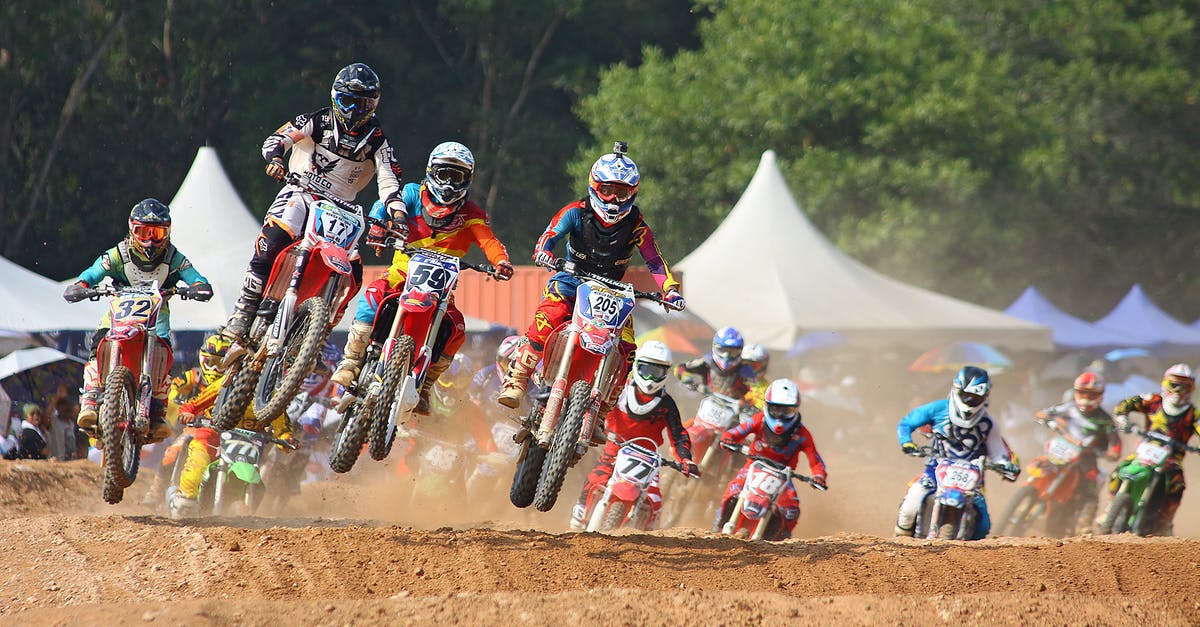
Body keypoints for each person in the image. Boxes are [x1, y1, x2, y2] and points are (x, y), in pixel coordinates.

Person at [222, 62, 405, 342]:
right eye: (348, 101)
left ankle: (318, 332)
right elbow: (278, 138)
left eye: (363, 103)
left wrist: (398, 214)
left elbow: (389, 180)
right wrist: (275, 159)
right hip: (302, 190)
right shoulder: (316, 120)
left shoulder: (378, 141)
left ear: (374, 104)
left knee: (354, 270)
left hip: (343, 209)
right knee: (273, 239)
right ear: (335, 97)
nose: (355, 111)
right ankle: (245, 308)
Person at [330, 141, 514, 414]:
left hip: (441, 289)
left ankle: (425, 386)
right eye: (444, 174)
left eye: (457, 176)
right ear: (431, 171)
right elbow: (385, 205)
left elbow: (489, 241)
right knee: (372, 297)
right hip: (402, 272)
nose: (450, 183)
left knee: (457, 330)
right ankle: (351, 362)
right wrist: (379, 228)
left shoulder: (472, 214)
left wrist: (501, 262)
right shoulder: (412, 194)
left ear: (467, 180)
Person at [497, 142, 684, 410]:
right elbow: (549, 237)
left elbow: (655, 260)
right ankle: (517, 379)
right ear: (594, 187)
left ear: (632, 193)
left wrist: (670, 290)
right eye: (606, 190)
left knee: (629, 347)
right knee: (548, 317)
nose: (612, 200)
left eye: (621, 193)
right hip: (571, 279)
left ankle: (604, 409)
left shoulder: (637, 226)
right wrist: (544, 253)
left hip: (612, 291)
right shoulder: (575, 211)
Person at [62, 198, 213, 443]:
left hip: (157, 317)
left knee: (164, 355)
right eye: (144, 232)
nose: (151, 240)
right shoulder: (119, 253)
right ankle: (90, 398)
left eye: (157, 232)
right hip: (119, 312)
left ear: (168, 232)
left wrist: (198, 287)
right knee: (98, 344)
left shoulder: (173, 257)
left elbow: (194, 276)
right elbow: (93, 271)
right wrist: (82, 285)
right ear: (132, 230)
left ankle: (157, 410)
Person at [569, 341, 699, 530]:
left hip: (648, 460)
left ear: (665, 374)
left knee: (654, 501)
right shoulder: (618, 391)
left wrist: (686, 460)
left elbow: (679, 434)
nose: (650, 378)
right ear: (637, 366)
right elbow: (594, 409)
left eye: (657, 372)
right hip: (614, 449)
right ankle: (579, 515)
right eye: (646, 370)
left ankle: (646, 537)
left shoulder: (667, 404)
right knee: (595, 479)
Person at [893, 366, 1018, 539]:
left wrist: (1004, 465)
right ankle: (900, 543)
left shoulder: (988, 423)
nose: (969, 400)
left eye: (975, 397)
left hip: (971, 480)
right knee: (909, 508)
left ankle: (968, 560)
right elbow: (907, 423)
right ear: (956, 389)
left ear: (985, 397)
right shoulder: (938, 409)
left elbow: (998, 451)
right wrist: (906, 442)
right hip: (934, 472)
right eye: (966, 395)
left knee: (983, 526)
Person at [716, 378, 826, 540]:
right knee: (733, 491)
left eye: (787, 412)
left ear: (795, 410)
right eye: (776, 410)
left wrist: (819, 476)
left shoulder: (802, 434)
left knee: (791, 510)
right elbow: (736, 432)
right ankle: (719, 524)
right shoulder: (759, 420)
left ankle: (781, 539)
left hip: (782, 476)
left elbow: (815, 459)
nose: (780, 417)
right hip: (753, 466)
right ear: (767, 406)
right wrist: (728, 439)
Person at [1108, 363, 1199, 534]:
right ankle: (1111, 507)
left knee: (1178, 485)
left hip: (1172, 458)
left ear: (1191, 388)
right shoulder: (1153, 401)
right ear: (1166, 383)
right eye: (1175, 384)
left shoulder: (1192, 414)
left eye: (1184, 386)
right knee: (1118, 471)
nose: (1179, 390)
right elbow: (1124, 405)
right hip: (1145, 450)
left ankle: (1165, 521)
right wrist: (1123, 419)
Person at [1033, 371, 1120, 526]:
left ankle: (1084, 523)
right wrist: (1049, 420)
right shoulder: (1069, 408)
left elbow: (1115, 443)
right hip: (1063, 448)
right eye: (1082, 393)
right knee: (1040, 464)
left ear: (1100, 395)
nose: (1086, 398)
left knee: (1091, 482)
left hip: (1086, 456)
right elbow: (1043, 413)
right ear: (1075, 392)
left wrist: (1112, 453)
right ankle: (1029, 494)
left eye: (1091, 394)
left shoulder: (1105, 420)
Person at [674, 327, 758, 400]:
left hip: (737, 413)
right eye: (722, 350)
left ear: (740, 351)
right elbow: (680, 368)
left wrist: (746, 400)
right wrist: (690, 383)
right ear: (715, 346)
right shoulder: (707, 361)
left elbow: (757, 392)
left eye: (732, 352)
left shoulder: (745, 369)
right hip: (708, 407)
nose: (726, 356)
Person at [740, 342, 771, 410]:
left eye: (754, 365)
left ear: (764, 365)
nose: (749, 369)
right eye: (746, 364)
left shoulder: (767, 389)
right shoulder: (734, 378)